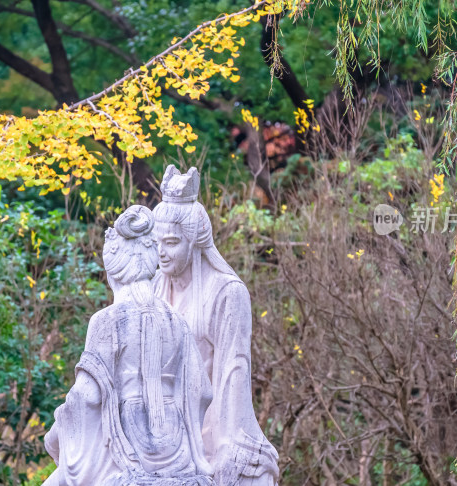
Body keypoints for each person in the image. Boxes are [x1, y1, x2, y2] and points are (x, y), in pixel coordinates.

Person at [43, 205, 214, 486]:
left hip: (125, 441)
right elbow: (203, 391)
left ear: (113, 273)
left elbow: (86, 397)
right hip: (178, 448)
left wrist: (60, 424)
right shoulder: (177, 321)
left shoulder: (107, 320)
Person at [153, 165, 280, 486]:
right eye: (156, 243)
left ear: (195, 242)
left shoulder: (227, 292)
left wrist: (225, 446)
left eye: (170, 243)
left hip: (208, 427)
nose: (160, 253)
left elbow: (233, 371)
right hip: (156, 429)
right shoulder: (154, 289)